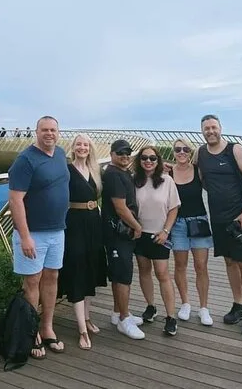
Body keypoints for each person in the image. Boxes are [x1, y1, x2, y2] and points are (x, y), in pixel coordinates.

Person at [8, 115, 71, 358]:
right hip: (33, 234)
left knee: (52, 277)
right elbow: (15, 200)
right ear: (36, 132)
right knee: (32, 282)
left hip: (57, 231)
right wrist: (25, 237)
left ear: (58, 132)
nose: (49, 134)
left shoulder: (60, 154)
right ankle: (31, 331)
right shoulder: (25, 160)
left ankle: (47, 327)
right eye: (44, 130)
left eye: (53, 130)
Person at [196, 114, 242, 335]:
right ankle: (238, 304)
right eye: (206, 128)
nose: (210, 131)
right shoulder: (201, 153)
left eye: (213, 127)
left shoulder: (235, 150)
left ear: (220, 128)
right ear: (202, 131)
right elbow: (199, 178)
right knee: (229, 261)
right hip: (218, 219)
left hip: (239, 218)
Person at [57, 133, 107, 350]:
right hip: (75, 224)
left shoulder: (96, 170)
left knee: (91, 268)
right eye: (79, 144)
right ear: (73, 147)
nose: (82, 148)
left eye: (85, 144)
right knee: (78, 269)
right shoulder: (67, 170)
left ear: (90, 148)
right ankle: (81, 329)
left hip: (94, 222)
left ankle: (87, 317)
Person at [133, 146, 180, 336]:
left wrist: (166, 231)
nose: (148, 161)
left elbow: (174, 208)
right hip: (140, 234)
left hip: (160, 234)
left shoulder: (167, 180)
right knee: (144, 270)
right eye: (144, 158)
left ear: (158, 160)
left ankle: (171, 316)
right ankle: (151, 306)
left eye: (152, 158)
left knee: (162, 273)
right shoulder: (134, 181)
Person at [101, 139, 145, 340]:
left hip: (122, 233)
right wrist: (137, 226)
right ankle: (124, 319)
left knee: (119, 274)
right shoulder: (113, 175)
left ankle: (117, 312)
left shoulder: (124, 172)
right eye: (120, 153)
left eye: (127, 152)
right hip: (117, 234)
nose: (125, 156)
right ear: (111, 154)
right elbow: (120, 207)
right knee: (123, 275)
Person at [169, 138, 214, 326]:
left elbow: (216, 186)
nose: (181, 152)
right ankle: (185, 303)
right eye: (178, 149)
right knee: (180, 265)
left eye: (185, 149)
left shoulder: (198, 171)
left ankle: (204, 307)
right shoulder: (168, 173)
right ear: (173, 152)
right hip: (177, 223)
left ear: (190, 152)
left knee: (201, 266)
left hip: (199, 221)